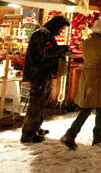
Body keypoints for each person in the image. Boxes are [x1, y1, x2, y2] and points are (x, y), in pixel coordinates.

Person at [61, 19, 101, 150]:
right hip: (99, 77)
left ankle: (93, 135)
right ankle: (73, 134)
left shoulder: (86, 42)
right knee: (96, 107)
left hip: (88, 76)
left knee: (92, 106)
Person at [21, 15, 71, 143]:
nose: (61, 31)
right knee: (36, 104)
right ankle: (28, 134)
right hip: (38, 74)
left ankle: (35, 127)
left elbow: (48, 51)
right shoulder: (43, 34)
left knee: (42, 102)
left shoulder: (46, 34)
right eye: (62, 28)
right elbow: (46, 52)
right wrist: (63, 49)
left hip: (44, 74)